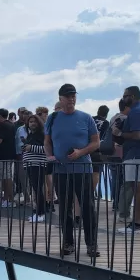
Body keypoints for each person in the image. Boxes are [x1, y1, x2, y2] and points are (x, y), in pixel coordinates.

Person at [44, 84, 100, 257]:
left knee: (87, 207)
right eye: (68, 96)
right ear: (60, 99)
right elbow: (47, 142)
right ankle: (68, 244)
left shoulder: (86, 118)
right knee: (65, 208)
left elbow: (96, 142)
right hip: (61, 170)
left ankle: (91, 244)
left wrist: (80, 153)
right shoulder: (52, 119)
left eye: (73, 96)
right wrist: (49, 156)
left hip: (82, 169)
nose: (71, 99)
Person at [118, 86, 140, 233]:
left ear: (132, 96)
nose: (123, 98)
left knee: (137, 188)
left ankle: (137, 224)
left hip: (134, 155)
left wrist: (120, 133)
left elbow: (137, 135)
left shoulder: (136, 112)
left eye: (125, 96)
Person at [22, 113, 48, 222]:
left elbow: (46, 149)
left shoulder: (41, 134)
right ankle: (38, 211)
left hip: (37, 164)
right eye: (30, 122)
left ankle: (40, 213)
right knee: (35, 189)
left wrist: (30, 147)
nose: (32, 123)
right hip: (30, 164)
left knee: (38, 189)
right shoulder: (30, 134)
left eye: (34, 121)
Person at [0, 109, 17, 206]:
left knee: (5, 177)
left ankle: (9, 199)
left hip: (3, 155)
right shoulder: (11, 125)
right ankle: (7, 199)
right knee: (7, 176)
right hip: (10, 154)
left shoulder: (2, 126)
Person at [35, 105, 55, 211]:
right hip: (47, 154)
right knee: (47, 179)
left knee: (47, 179)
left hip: (46, 154)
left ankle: (49, 201)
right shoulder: (49, 125)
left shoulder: (45, 126)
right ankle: (48, 201)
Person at [92, 105, 110, 196]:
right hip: (97, 149)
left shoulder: (91, 119)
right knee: (96, 172)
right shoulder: (106, 123)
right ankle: (90, 193)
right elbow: (104, 138)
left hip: (86, 148)